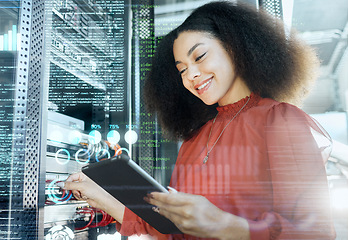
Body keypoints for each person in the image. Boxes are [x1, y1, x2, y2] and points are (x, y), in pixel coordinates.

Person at [64, 1, 336, 239]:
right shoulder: (193, 140)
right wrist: (100, 198)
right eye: (181, 69)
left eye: (200, 56)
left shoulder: (280, 121)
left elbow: (315, 233)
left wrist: (225, 225)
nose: (190, 75)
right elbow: (171, 231)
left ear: (235, 47)